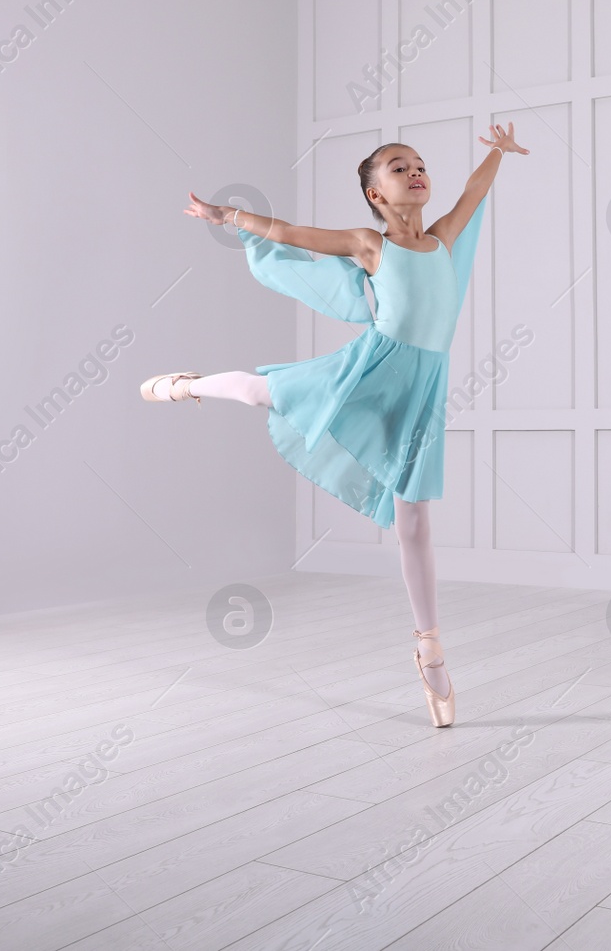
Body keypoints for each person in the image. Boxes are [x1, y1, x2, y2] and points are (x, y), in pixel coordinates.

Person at [141, 124, 530, 727]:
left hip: (421, 390)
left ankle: (429, 646)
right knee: (260, 392)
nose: (416, 172)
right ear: (376, 194)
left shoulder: (445, 239)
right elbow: (292, 234)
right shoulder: (370, 244)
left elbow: (473, 195)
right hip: (370, 371)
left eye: (420, 164)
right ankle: (187, 385)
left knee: (415, 518)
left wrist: (496, 154)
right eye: (399, 168)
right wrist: (228, 216)